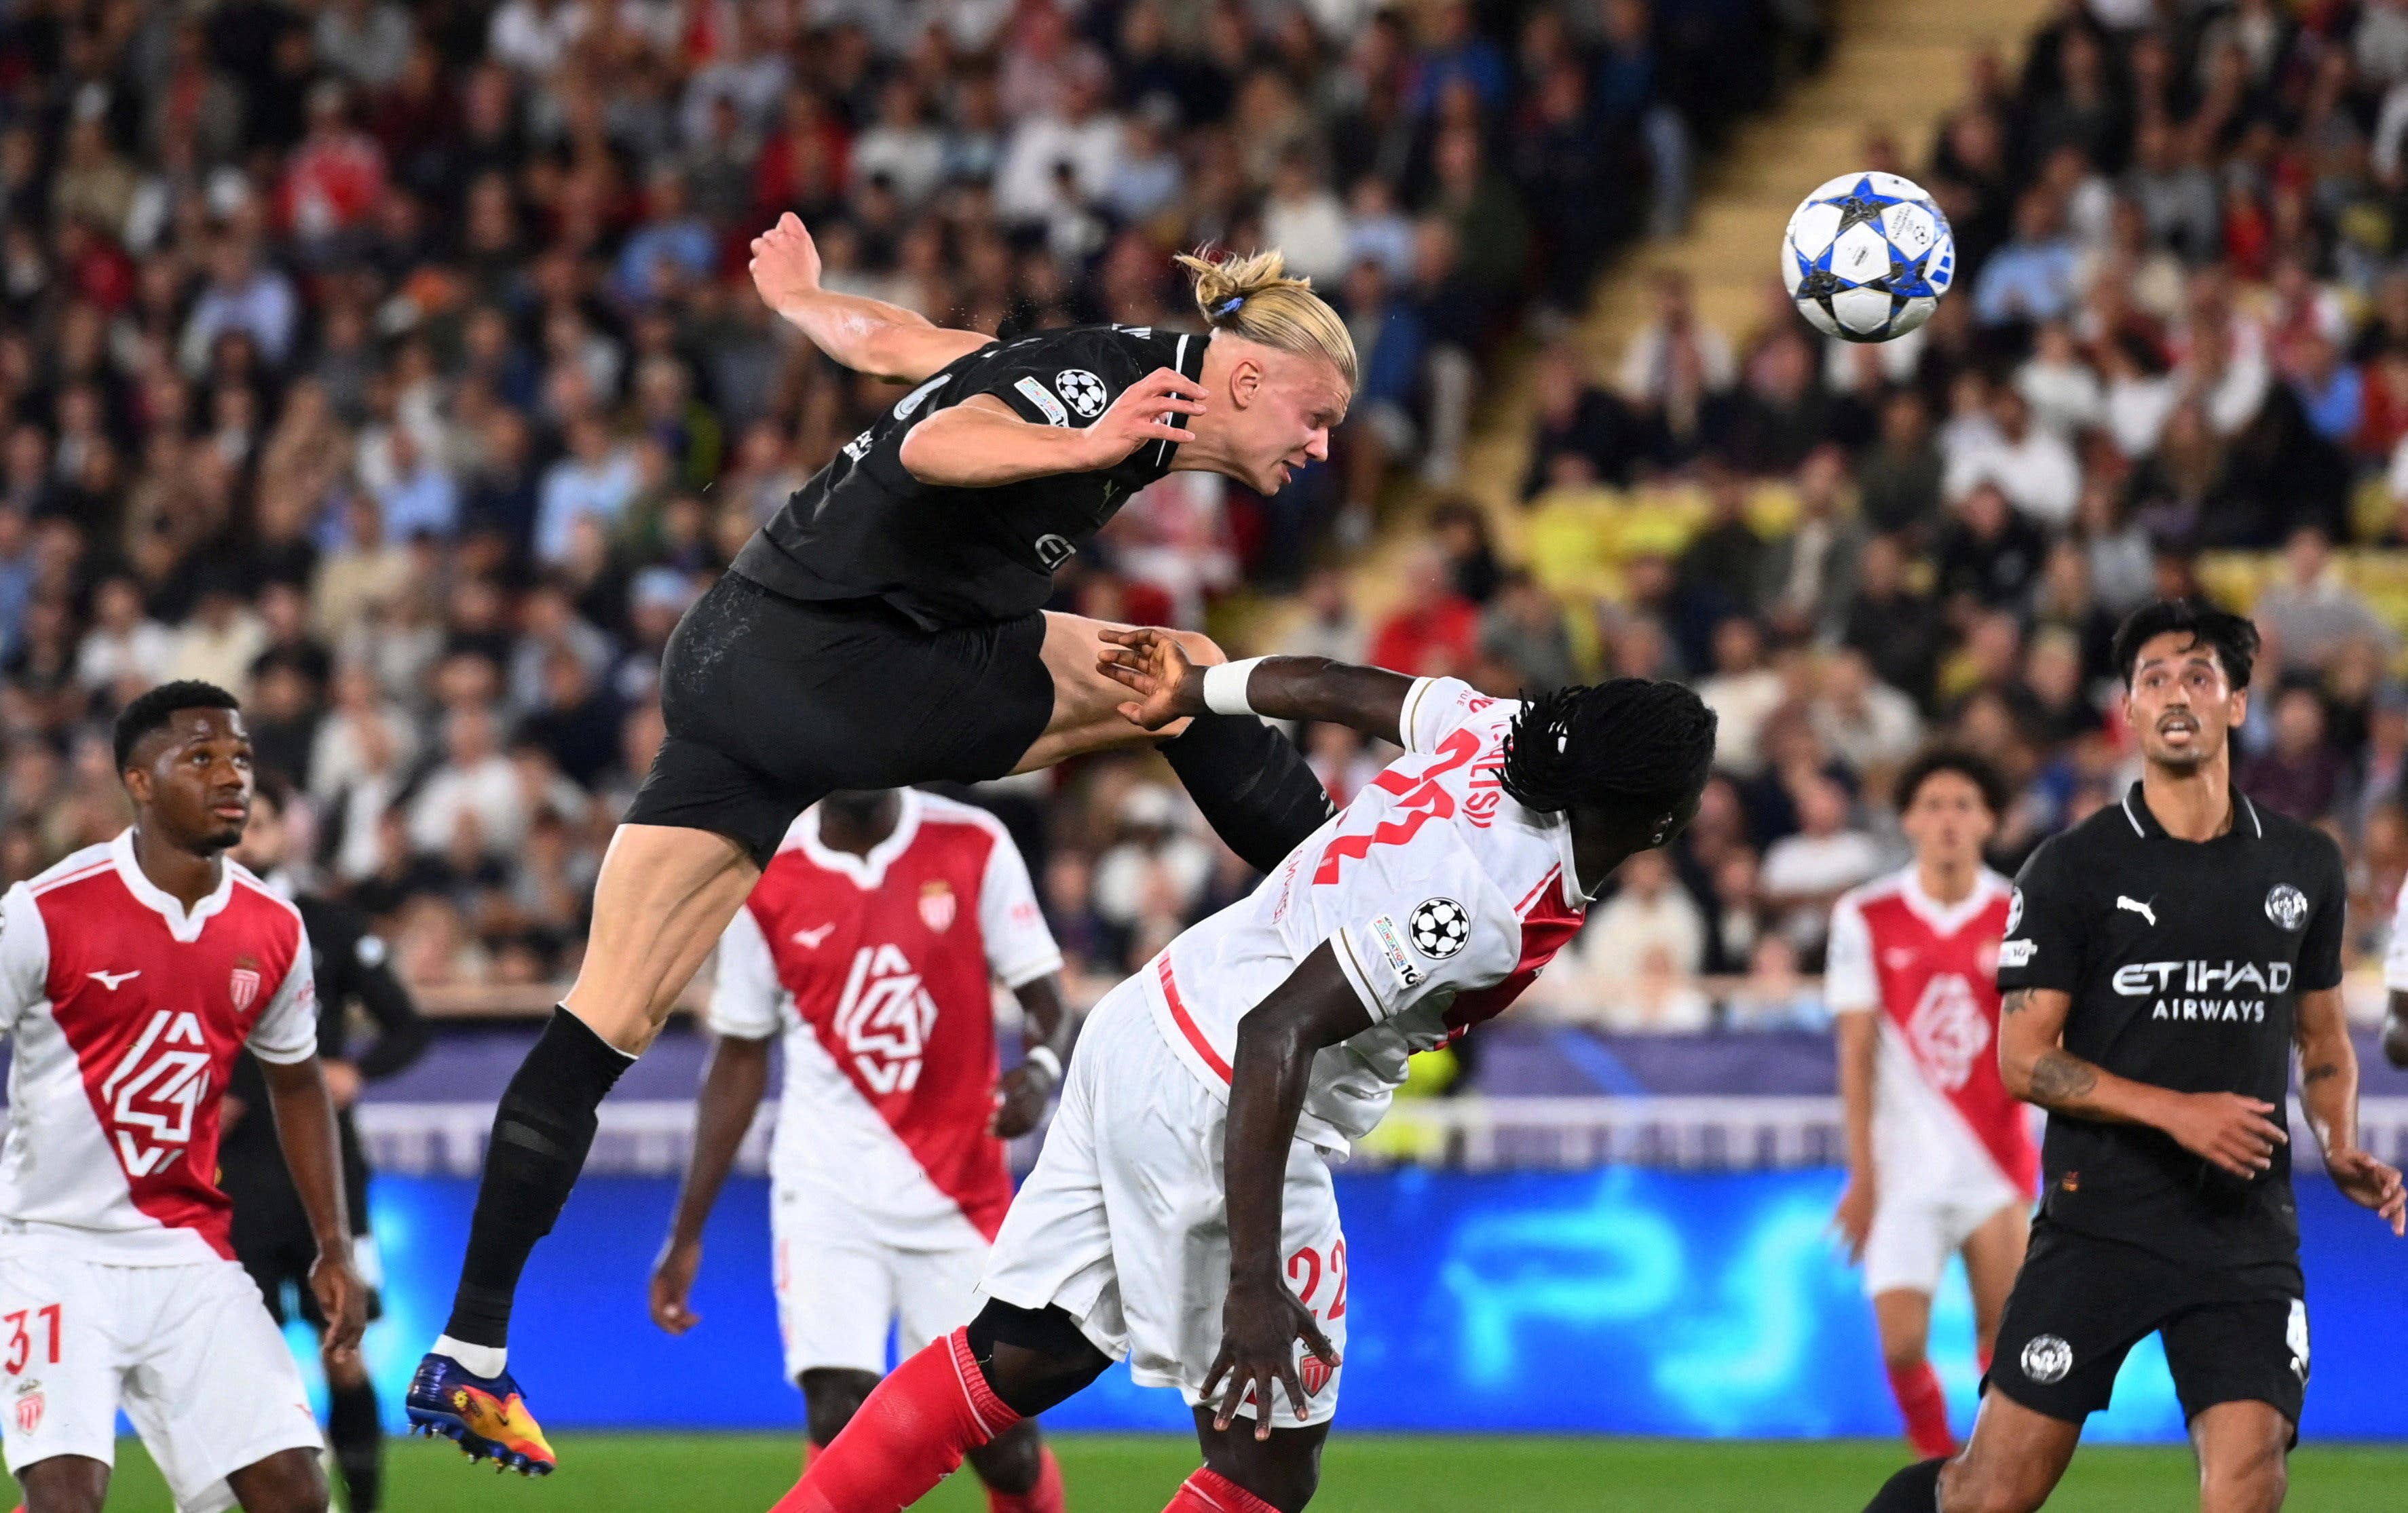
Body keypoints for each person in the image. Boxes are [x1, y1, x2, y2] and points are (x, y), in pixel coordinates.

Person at [409, 214, 1359, 1468]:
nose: (1321, 444)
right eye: (1310, 416)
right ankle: (1361, 891)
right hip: (849, 667)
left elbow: (909, 348)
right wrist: (1082, 443)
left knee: (607, 1016)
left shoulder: (1096, 367)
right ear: (1241, 377)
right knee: (1171, 670)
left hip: (727, 653)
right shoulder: (1119, 391)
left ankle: (469, 1351)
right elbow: (937, 436)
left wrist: (806, 300)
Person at [769, 636, 1718, 1513]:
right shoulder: (1485, 906)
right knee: (1268, 1462)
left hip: (1145, 1019)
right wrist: (1255, 1283)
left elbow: (1337, 688)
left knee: (1027, 1351)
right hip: (1227, 1085)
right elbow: (1278, 1032)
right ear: (1662, 822)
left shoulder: (1494, 726)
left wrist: (1200, 688)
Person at [1862, 601, 2408, 1513]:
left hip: (2245, 1229)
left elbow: (2321, 1040)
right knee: (1990, 1491)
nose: (2176, 694)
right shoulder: (2072, 868)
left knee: (2249, 1480)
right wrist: (2180, 1110)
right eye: (2153, 679)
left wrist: (2339, 1138)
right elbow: (2026, 1060)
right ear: (2129, 712)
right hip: (2099, 1218)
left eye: (2199, 675)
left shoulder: (2306, 863)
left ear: (2238, 703)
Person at [647, 790, 1073, 1512]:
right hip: (827, 1188)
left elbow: (1049, 1005)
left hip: (958, 1194)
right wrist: (686, 1232)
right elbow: (740, 1055)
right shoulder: (765, 872)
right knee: (836, 1408)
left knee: (1000, 1445)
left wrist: (1039, 1071)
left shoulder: (972, 842)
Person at [0, 681, 364, 1513]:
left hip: (187, 1251)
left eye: (239, 757)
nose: (231, 776)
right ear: (138, 780)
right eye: (200, 757)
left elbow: (299, 1081)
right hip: (52, 1247)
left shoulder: (274, 928)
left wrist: (332, 1243)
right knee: (66, 1498)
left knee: (296, 1495)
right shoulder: (45, 912)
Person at [222, 771, 429, 1513]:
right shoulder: (191, 923)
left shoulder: (328, 924)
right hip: (231, 1177)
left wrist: (355, 1069)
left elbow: (406, 1024)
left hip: (325, 1169)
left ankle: (363, 1503)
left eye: (263, 823)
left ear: (289, 831)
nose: (249, 837)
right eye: (239, 823)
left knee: (344, 1350)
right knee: (248, 1360)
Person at [1826, 749, 2033, 1461]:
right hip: (1903, 1167)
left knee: (2004, 1338)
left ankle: (1989, 1475)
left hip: (1995, 1161)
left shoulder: (2019, 910)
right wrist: (1862, 1173)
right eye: (1933, 804)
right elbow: (1854, 1052)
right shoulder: (1864, 914)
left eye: (1962, 804)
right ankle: (1935, 1461)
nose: (1947, 819)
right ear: (1907, 818)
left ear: (1989, 819)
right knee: (1901, 1341)